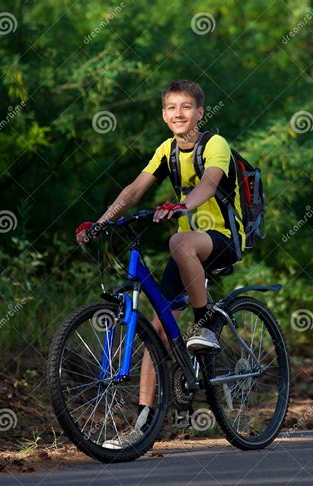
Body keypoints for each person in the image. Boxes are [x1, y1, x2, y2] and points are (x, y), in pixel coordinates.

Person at [76, 79, 245, 448]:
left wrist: (183, 206)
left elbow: (210, 185)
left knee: (177, 241)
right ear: (164, 114)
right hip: (188, 248)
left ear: (200, 112)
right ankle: (141, 426)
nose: (178, 114)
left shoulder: (214, 144)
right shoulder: (166, 150)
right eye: (171, 108)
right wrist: (102, 221)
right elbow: (135, 190)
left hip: (222, 239)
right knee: (158, 330)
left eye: (186, 107)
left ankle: (205, 326)